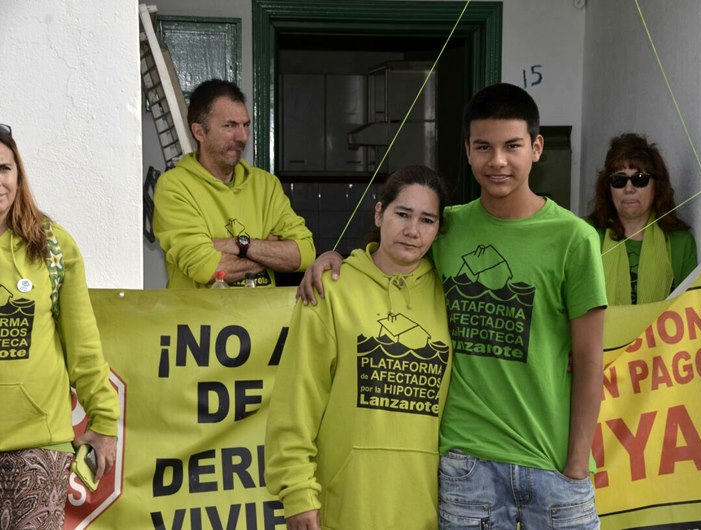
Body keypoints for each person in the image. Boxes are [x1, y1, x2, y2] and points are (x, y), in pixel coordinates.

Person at [297, 83, 607, 529]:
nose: (497, 161)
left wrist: (576, 466)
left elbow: (590, 360)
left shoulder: (575, 238)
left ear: (536, 148)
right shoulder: (447, 226)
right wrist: (336, 259)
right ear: (467, 150)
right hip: (468, 467)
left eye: (512, 146)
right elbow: (394, 252)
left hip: (552, 465)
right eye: (484, 146)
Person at [265, 165, 452, 530]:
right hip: (343, 507)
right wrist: (298, 493)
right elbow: (297, 400)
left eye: (427, 220)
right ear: (379, 213)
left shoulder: (449, 295)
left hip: (427, 509)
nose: (413, 231)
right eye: (402, 214)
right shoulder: (331, 290)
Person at [0, 124, 119, 528]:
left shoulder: (50, 245)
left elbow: (84, 346)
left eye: (3, 169)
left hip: (39, 447)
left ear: (18, 175)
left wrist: (104, 423)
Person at [153, 79, 314, 288]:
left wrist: (238, 245)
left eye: (245, 125)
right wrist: (269, 252)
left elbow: (304, 253)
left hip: (262, 320)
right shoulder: (174, 186)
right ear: (199, 132)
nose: (242, 137)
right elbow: (206, 267)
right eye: (230, 126)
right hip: (200, 320)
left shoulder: (265, 184)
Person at [587, 133, 697, 305]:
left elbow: (690, 309)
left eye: (640, 179)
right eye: (619, 179)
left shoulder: (680, 243)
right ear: (608, 188)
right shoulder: (587, 235)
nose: (628, 188)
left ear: (657, 186)